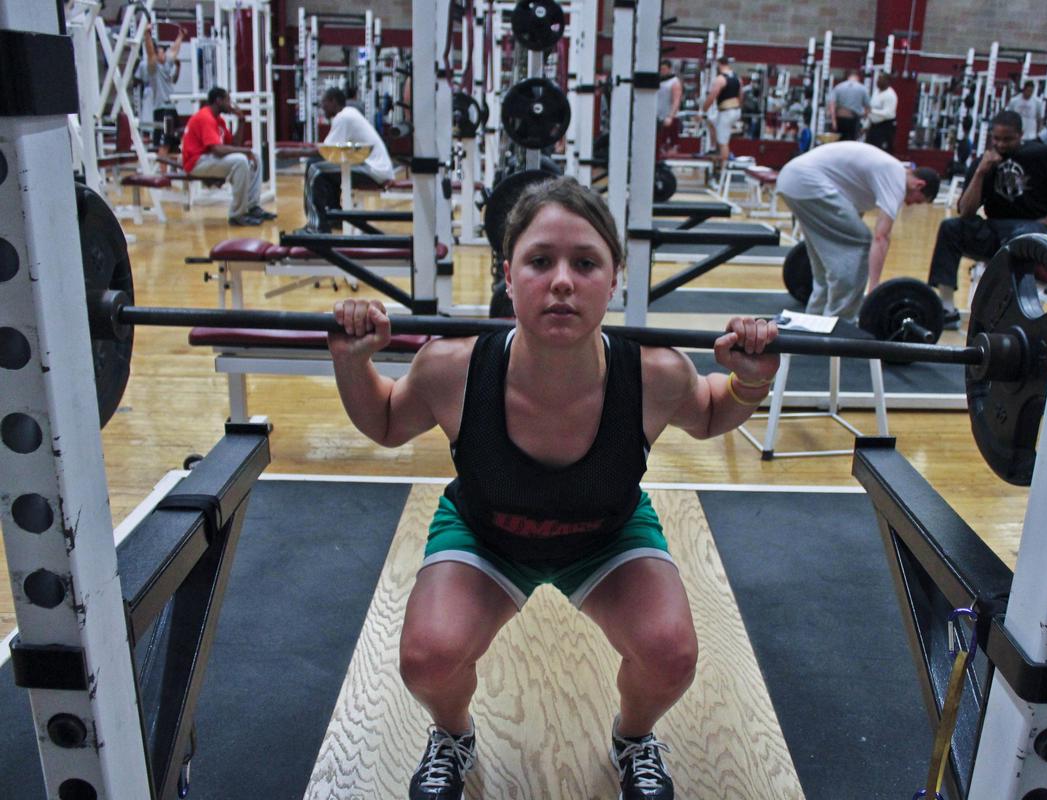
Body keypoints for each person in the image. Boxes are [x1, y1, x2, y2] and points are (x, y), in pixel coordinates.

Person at [327, 177, 780, 800]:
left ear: (614, 278)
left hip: (606, 535)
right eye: (540, 261)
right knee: (427, 657)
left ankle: (634, 739)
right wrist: (353, 362)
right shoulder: (451, 367)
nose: (562, 280)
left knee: (670, 653)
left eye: (585, 263)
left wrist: (750, 383)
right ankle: (452, 736)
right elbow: (383, 422)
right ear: (508, 275)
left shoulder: (655, 373)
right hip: (487, 535)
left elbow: (706, 413)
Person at [927, 110, 1047, 327]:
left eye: (1007, 139)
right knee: (951, 228)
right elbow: (966, 212)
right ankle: (947, 308)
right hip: (994, 229)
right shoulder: (985, 161)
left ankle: (1004, 316)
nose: (1001, 144)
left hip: (1032, 228)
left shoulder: (1046, 156)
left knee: (1018, 239)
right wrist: (981, 171)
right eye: (996, 139)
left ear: (1020, 135)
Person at [776, 141, 940, 321]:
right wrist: (874, 290)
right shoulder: (896, 178)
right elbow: (881, 237)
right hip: (808, 183)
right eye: (917, 201)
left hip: (793, 180)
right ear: (919, 185)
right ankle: (840, 325)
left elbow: (848, 220)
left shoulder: (883, 172)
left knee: (825, 269)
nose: (910, 205)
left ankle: (812, 325)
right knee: (862, 242)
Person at [303, 87, 395, 232]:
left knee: (314, 168)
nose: (322, 107)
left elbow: (326, 150)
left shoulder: (343, 117)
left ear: (333, 101)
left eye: (324, 102)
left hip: (373, 171)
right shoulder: (350, 113)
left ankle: (316, 227)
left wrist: (290, 153)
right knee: (325, 170)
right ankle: (335, 219)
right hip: (376, 169)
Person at [181, 87, 275, 226]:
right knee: (241, 161)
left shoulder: (218, 120)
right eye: (228, 100)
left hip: (208, 158)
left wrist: (242, 120)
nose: (230, 104)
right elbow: (218, 150)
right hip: (196, 163)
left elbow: (234, 144)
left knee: (255, 157)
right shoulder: (205, 117)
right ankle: (237, 215)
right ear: (218, 101)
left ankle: (252, 206)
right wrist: (244, 152)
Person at [138, 25, 185, 167]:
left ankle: (176, 174)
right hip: (162, 111)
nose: (163, 55)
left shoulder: (167, 66)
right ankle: (163, 178)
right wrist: (146, 34)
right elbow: (150, 52)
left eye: (164, 53)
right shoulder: (154, 69)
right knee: (163, 146)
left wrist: (180, 36)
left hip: (171, 109)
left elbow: (174, 50)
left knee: (177, 143)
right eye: (160, 52)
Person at [701, 56, 742, 169]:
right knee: (711, 121)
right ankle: (713, 148)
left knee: (723, 142)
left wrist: (703, 110)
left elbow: (712, 97)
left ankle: (723, 169)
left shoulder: (720, 79)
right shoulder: (738, 78)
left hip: (726, 113)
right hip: (735, 111)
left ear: (719, 65)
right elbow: (741, 95)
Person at [827, 69, 870, 141]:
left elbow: (832, 105)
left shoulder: (838, 87)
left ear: (848, 77)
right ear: (857, 78)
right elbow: (867, 107)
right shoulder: (863, 89)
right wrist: (865, 121)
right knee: (852, 143)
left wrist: (834, 121)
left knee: (839, 142)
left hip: (840, 119)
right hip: (854, 120)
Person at [865, 71, 898, 153]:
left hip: (885, 126)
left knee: (882, 151)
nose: (877, 81)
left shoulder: (890, 95)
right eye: (878, 79)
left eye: (880, 79)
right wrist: (866, 125)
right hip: (874, 126)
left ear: (887, 81)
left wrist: (872, 111)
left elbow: (889, 113)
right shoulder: (876, 92)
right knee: (869, 149)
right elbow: (871, 109)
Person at [656, 59, 683, 153]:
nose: (662, 71)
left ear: (669, 69)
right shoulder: (658, 80)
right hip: (658, 116)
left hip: (670, 117)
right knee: (659, 144)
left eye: (664, 69)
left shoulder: (674, 82)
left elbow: (676, 101)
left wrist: (670, 117)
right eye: (661, 69)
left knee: (672, 145)